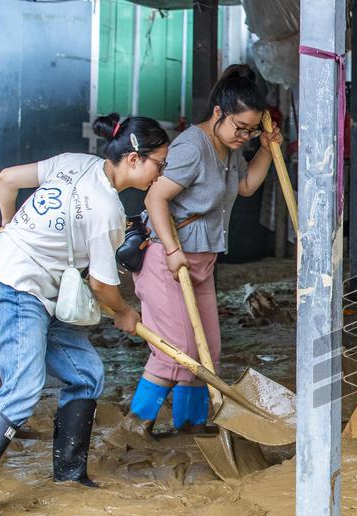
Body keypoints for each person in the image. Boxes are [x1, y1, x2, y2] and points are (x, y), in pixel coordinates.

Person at [0, 114, 167, 487]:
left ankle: (70, 476)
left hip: (43, 290)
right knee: (22, 389)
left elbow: (6, 179)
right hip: (19, 287)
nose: (159, 174)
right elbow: (102, 286)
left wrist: (6, 226)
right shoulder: (107, 210)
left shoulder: (73, 161)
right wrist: (124, 312)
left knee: (86, 374)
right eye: (158, 165)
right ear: (134, 159)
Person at [122, 65, 283, 438]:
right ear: (217, 113)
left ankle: (190, 425)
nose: (244, 135)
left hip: (203, 261)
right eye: (239, 127)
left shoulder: (228, 147)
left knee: (206, 347)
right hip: (165, 258)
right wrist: (173, 250)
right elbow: (155, 197)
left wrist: (266, 148)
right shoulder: (191, 148)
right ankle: (136, 423)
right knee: (174, 349)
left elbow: (243, 186)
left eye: (251, 129)